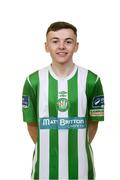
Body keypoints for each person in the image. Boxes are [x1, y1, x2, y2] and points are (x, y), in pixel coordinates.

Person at [22, 21, 104, 180]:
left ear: (76, 46)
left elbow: (93, 124)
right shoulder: (33, 81)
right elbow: (32, 125)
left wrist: (76, 144)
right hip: (44, 172)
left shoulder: (92, 81)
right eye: (55, 41)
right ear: (46, 46)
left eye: (68, 41)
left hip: (81, 172)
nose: (61, 46)